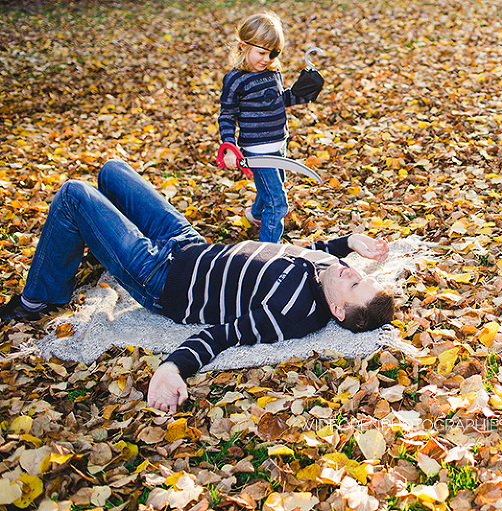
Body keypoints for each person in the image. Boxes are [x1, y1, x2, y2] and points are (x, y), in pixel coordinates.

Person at [0, 159, 395, 413]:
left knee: (73, 193)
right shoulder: (330, 270)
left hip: (159, 276)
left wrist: (172, 368)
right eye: (359, 272)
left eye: (355, 283)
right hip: (188, 244)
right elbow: (306, 252)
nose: (350, 270)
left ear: (338, 311)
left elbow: (222, 336)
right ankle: (88, 240)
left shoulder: (292, 314)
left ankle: (41, 297)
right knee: (111, 171)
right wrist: (349, 242)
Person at [219, 11, 321, 243]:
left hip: (279, 144)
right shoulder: (236, 80)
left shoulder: (272, 73)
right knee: (278, 202)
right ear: (243, 46)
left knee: (270, 191)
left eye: (273, 53)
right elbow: (227, 115)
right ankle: (267, 253)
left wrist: (302, 93)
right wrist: (228, 145)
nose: (267, 59)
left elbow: (278, 101)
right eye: (262, 52)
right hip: (257, 151)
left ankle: (255, 215)